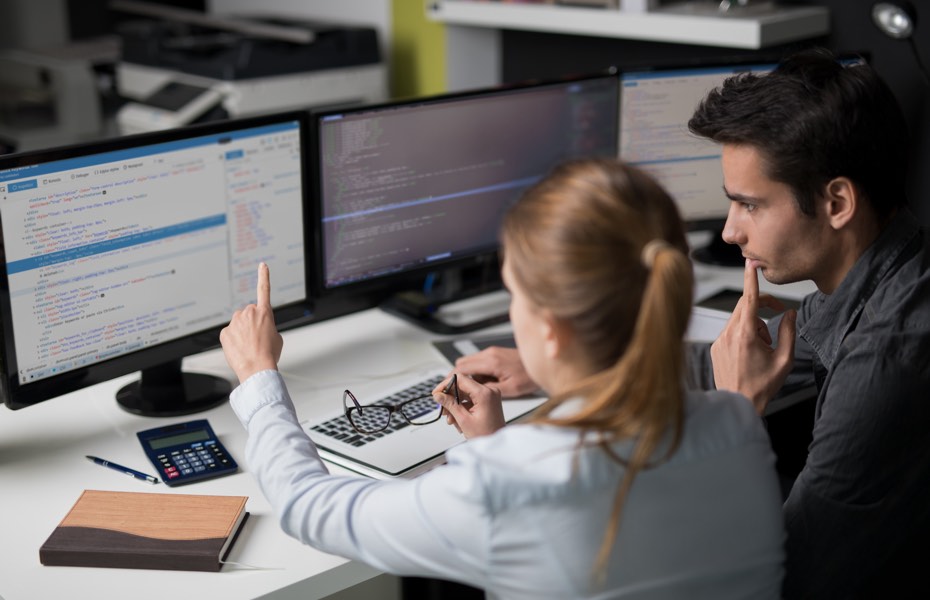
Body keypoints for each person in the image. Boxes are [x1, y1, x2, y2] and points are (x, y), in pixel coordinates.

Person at [458, 49, 930, 599]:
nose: (730, 232)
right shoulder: (879, 274)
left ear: (837, 202)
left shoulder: (888, 360)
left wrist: (737, 412)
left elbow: (784, 578)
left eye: (749, 206)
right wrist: (570, 365)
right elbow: (746, 354)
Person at [220, 158, 785, 599]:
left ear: (552, 331)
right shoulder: (737, 420)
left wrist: (258, 375)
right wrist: (493, 447)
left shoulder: (509, 482)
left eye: (515, 295)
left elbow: (310, 509)